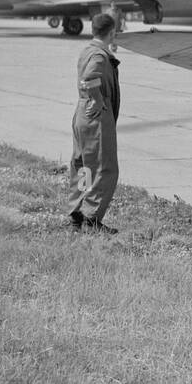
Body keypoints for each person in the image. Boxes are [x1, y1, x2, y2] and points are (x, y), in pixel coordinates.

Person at [68, 12, 122, 235]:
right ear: (112, 32)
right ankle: (92, 218)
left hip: (82, 113)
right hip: (96, 116)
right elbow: (90, 78)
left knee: (83, 166)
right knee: (105, 168)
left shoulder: (88, 50)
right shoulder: (99, 56)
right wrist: (99, 99)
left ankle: (77, 211)